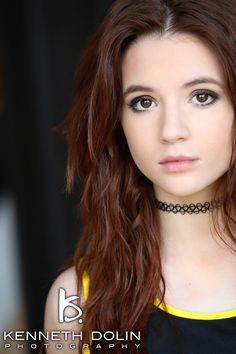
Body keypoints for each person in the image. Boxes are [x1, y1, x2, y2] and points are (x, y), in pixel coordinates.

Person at [44, 0, 236, 353]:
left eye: (203, 96)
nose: (171, 130)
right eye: (143, 102)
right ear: (117, 123)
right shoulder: (75, 302)